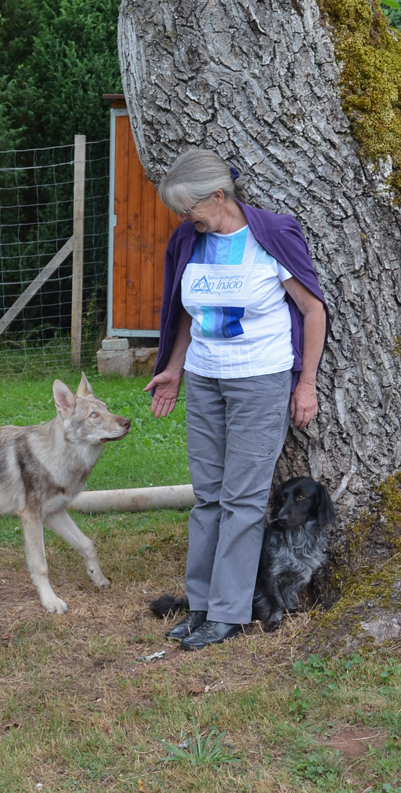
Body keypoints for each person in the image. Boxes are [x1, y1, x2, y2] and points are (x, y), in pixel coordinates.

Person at [144, 149, 329, 650]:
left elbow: (313, 310)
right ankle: (200, 604)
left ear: (219, 197)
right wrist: (174, 369)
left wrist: (306, 382)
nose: (184, 220)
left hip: (259, 381)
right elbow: (184, 314)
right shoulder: (189, 240)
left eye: (190, 210)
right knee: (208, 498)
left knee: (243, 501)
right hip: (206, 379)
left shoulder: (271, 236)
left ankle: (229, 614)